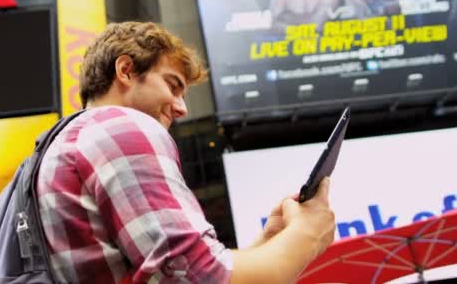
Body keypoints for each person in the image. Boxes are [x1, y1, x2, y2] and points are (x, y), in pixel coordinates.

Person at [36, 21, 335, 283]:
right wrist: (307, 235)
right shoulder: (122, 129)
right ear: (125, 71)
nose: (182, 108)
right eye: (172, 85)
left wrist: (268, 243)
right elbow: (204, 279)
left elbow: (174, 275)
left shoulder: (64, 142)